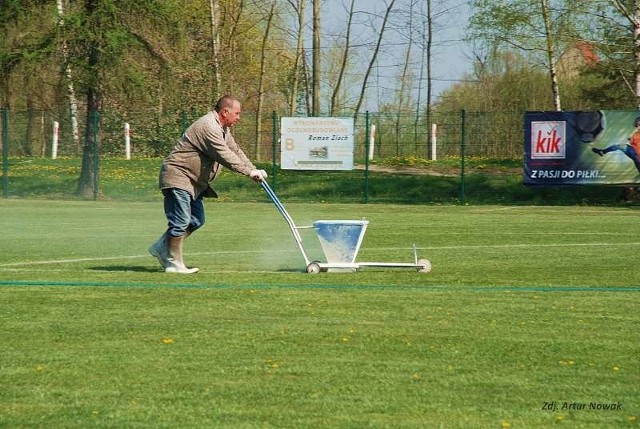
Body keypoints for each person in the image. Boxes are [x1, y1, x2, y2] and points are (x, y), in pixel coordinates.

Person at [148, 95, 267, 273]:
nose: (239, 117)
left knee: (196, 220)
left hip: (193, 182)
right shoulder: (208, 126)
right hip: (178, 176)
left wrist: (253, 168)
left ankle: (162, 247)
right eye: (237, 113)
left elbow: (234, 150)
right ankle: (174, 263)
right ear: (224, 112)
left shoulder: (223, 129)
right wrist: (248, 172)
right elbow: (223, 155)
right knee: (180, 221)